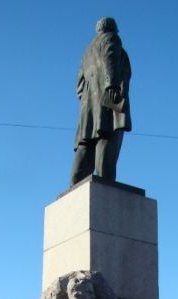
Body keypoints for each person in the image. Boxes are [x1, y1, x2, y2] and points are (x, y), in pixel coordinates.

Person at [70, 17, 132, 186]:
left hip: (88, 108)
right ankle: (106, 185)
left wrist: (87, 101)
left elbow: (79, 86)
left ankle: (75, 184)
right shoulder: (110, 39)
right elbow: (110, 58)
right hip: (108, 101)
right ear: (113, 28)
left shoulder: (87, 53)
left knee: (86, 145)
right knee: (107, 140)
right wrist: (111, 85)